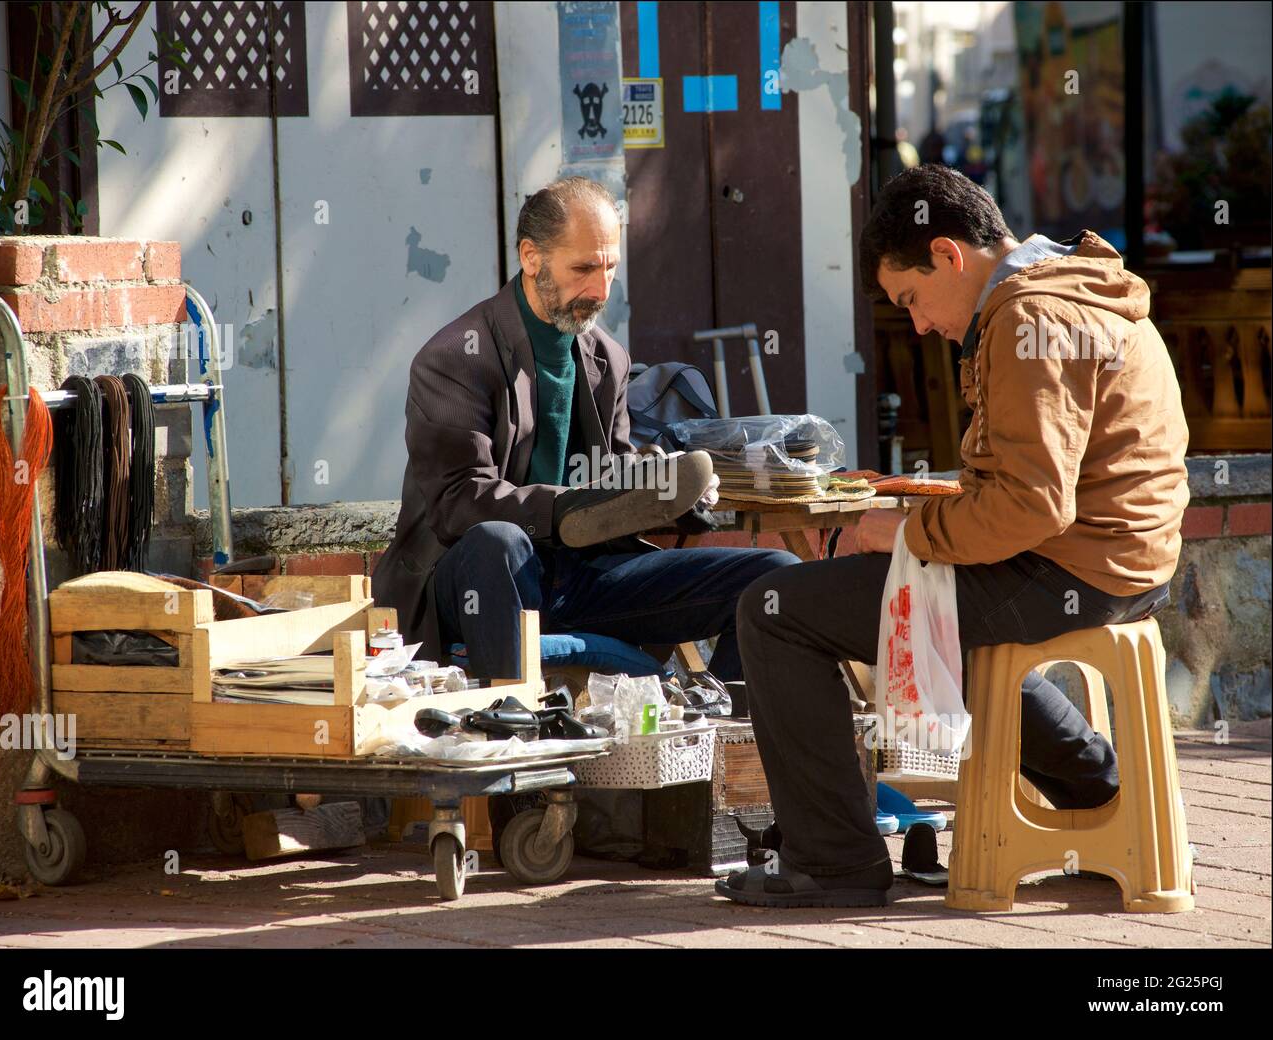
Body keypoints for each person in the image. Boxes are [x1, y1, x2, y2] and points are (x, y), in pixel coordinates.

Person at [718, 164, 1189, 908]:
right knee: (945, 615)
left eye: (911, 298)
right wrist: (918, 503)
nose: (919, 324)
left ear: (947, 254)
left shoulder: (1031, 318)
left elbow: (1032, 507)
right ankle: (1096, 791)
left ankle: (835, 862)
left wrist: (905, 532)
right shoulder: (1071, 289)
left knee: (773, 609)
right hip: (1119, 559)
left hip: (1072, 569)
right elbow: (1035, 479)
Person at [372, 176, 796, 686]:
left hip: (580, 581)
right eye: (583, 268)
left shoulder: (608, 358)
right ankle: (511, 726)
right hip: (475, 585)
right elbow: (459, 504)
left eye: (610, 269)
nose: (600, 290)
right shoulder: (456, 358)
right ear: (531, 257)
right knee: (500, 542)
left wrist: (667, 487)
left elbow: (609, 478)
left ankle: (720, 728)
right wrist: (565, 509)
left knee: (774, 573)